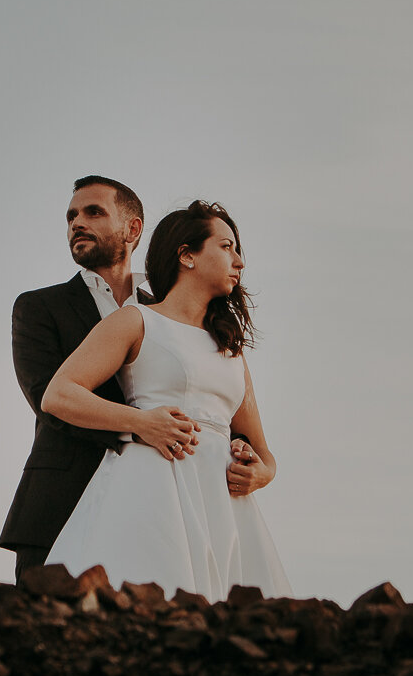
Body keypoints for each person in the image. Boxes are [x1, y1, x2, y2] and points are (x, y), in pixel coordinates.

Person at [42, 200, 290, 600]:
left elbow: (265, 453)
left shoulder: (230, 349)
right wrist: (140, 422)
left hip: (225, 506)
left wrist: (260, 473)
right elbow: (59, 394)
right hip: (150, 488)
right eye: (226, 247)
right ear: (187, 255)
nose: (239, 261)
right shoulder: (136, 320)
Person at [0, 176, 164, 583]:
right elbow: (46, 397)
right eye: (71, 215)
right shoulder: (39, 307)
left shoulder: (166, 311)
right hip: (60, 502)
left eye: (93, 212)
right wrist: (141, 427)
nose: (77, 222)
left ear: (133, 229)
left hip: (155, 506)